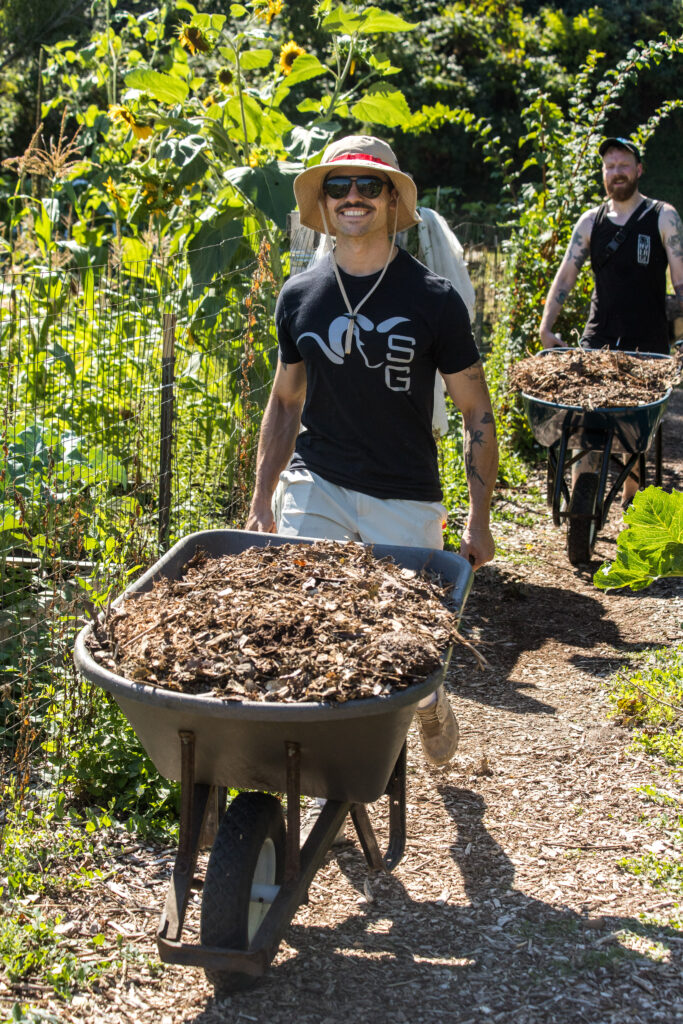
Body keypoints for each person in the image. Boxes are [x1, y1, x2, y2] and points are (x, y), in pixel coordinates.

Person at [246, 135, 498, 767]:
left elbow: (476, 411)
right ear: (324, 203)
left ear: (392, 199)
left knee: (405, 646)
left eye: (367, 185)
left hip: (405, 493)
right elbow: (283, 403)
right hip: (317, 482)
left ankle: (429, 699)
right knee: (302, 623)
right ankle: (312, 779)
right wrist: (261, 497)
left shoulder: (434, 300)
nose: (352, 197)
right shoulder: (298, 295)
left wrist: (478, 518)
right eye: (338, 186)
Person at [539, 136, 683, 505]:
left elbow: (681, 277)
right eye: (610, 167)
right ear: (603, 174)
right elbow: (566, 275)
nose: (616, 173)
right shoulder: (592, 221)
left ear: (638, 170)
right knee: (583, 421)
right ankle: (579, 509)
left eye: (623, 165)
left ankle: (631, 494)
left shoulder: (661, 216)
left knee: (634, 433)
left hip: (647, 344)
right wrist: (546, 325)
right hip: (597, 340)